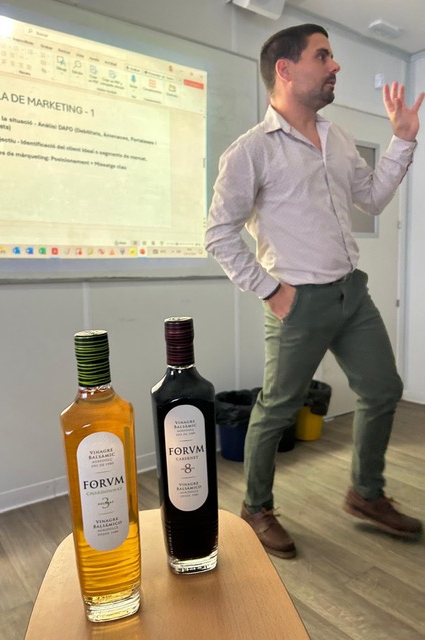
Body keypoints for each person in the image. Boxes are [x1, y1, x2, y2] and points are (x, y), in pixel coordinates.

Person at [205, 23, 424, 558]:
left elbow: (371, 199)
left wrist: (402, 140)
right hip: (297, 303)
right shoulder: (250, 152)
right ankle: (256, 508)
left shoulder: (338, 137)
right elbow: (218, 234)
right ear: (285, 69)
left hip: (352, 294)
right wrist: (270, 291)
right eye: (322, 56)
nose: (335, 66)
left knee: (383, 389)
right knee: (277, 409)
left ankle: (365, 494)